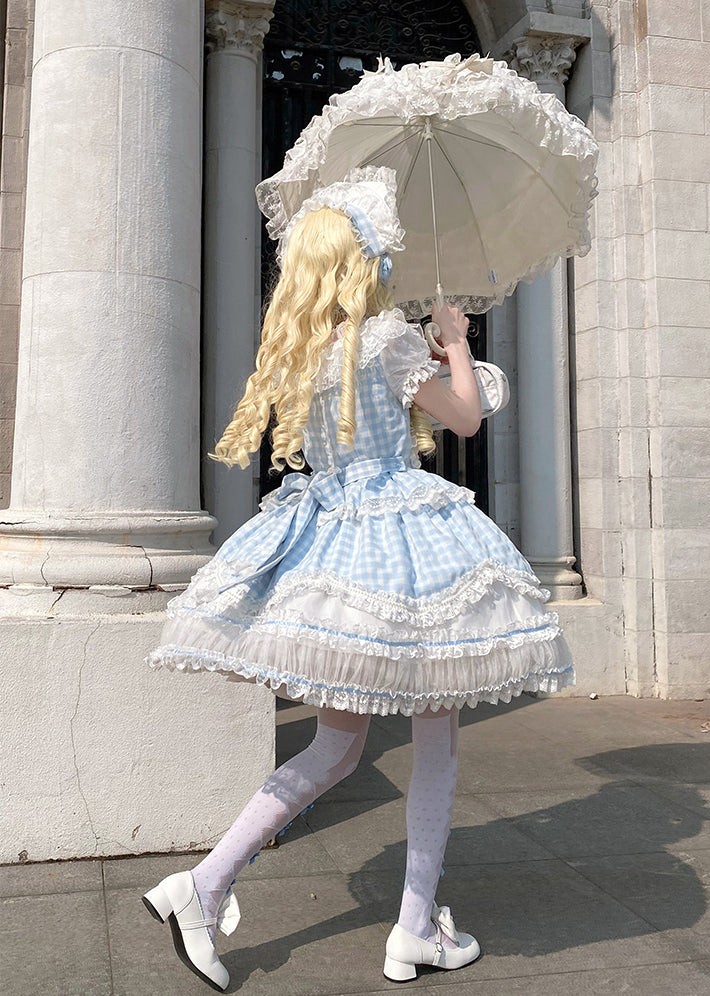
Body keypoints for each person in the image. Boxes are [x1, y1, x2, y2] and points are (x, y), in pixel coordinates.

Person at [141, 167, 575, 992]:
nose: (390, 263)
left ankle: (203, 885)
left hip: (338, 549)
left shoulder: (308, 348)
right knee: (436, 742)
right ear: (361, 262)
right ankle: (412, 929)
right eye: (382, 252)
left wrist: (431, 353)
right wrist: (454, 341)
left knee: (336, 747)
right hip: (402, 550)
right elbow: (466, 417)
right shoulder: (386, 338)